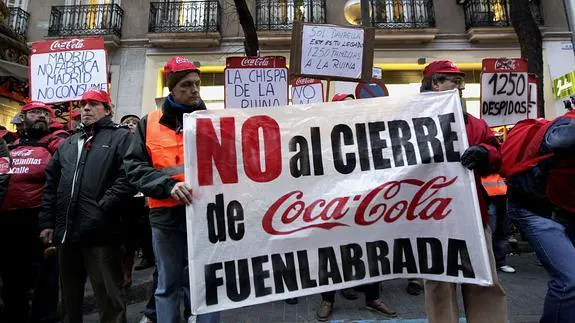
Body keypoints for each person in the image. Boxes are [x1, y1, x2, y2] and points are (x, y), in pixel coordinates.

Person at [124, 56, 220, 323]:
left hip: (206, 215)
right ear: (171, 90)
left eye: (197, 84)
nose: (195, 90)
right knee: (167, 284)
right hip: (165, 218)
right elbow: (134, 168)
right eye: (187, 85)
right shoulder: (148, 123)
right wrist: (168, 186)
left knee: (204, 283)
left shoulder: (213, 121)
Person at [420, 60, 508, 323]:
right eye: (453, 80)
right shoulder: (411, 121)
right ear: (435, 83)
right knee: (439, 287)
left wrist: (485, 153)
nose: (459, 86)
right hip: (432, 219)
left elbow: (496, 153)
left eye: (459, 81)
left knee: (484, 280)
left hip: (471, 215)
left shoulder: (475, 124)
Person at [38, 89, 135, 323]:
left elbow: (129, 176)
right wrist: (47, 222)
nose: (86, 109)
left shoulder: (121, 137)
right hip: (67, 233)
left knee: (109, 299)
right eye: (83, 105)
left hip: (102, 232)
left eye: (94, 104)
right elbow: (51, 184)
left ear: (108, 110)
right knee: (70, 300)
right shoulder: (69, 143)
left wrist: (104, 206)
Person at [314, 93, 397, 322]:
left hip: (365, 204)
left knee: (372, 250)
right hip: (333, 206)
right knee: (330, 253)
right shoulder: (321, 141)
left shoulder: (368, 138)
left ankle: (373, 297)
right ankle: (327, 299)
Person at [0, 102, 68, 323]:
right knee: (11, 275)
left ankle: (45, 318)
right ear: (23, 117)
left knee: (45, 276)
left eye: (44, 114)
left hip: (40, 219)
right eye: (35, 112)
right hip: (9, 219)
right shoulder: (12, 145)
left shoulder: (55, 144)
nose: (40, 116)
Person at [506, 109, 575, 323]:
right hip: (536, 210)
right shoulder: (566, 125)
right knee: (569, 280)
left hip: (563, 209)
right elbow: (559, 138)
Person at [482, 173, 516, 273]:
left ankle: (499, 262)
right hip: (489, 198)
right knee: (490, 232)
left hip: (504, 198)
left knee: (502, 232)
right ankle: (490, 263)